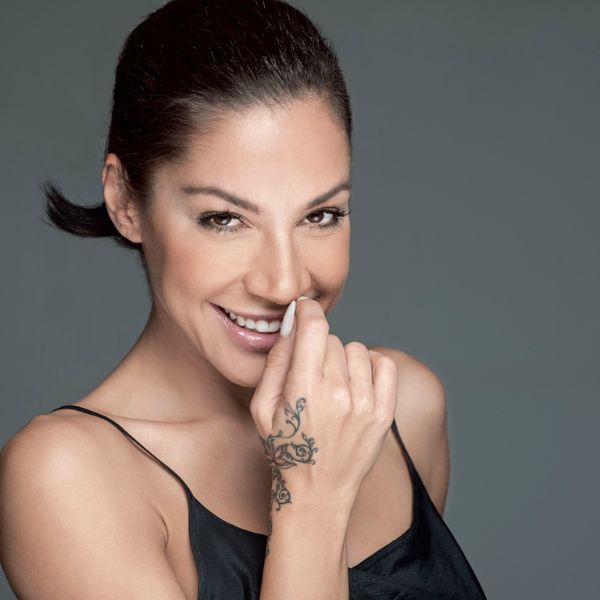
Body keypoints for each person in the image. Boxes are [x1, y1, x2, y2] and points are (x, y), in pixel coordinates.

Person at [0, 0, 487, 598]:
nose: (283, 283)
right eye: (224, 219)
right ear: (125, 202)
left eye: (321, 215)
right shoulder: (66, 477)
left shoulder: (395, 408)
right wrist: (313, 500)